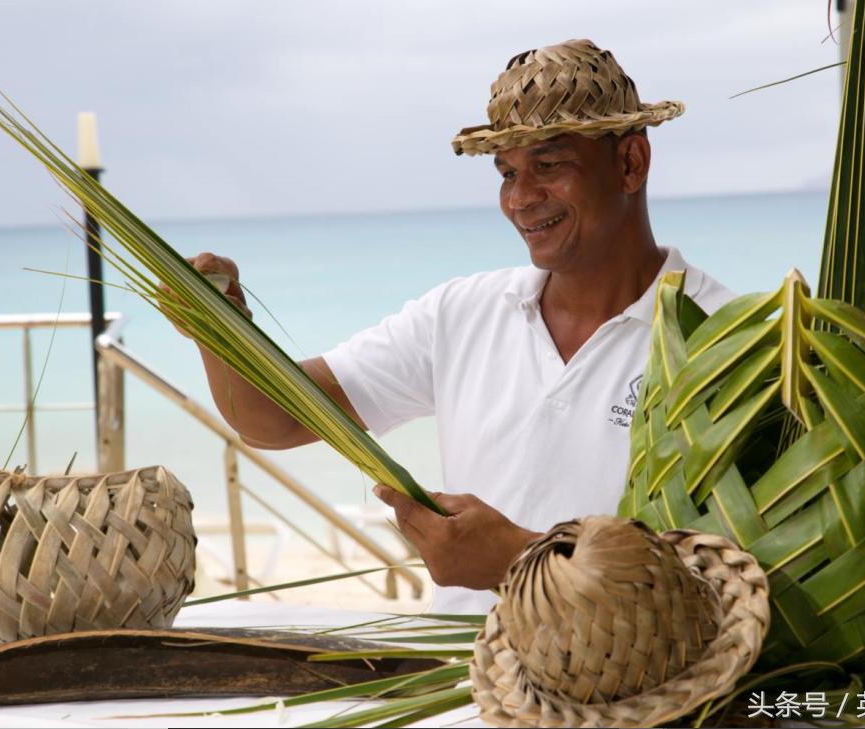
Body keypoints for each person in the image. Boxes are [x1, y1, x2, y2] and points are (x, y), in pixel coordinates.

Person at [174, 39, 735, 614]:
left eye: (548, 164)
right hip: (467, 689)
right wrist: (220, 326)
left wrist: (520, 559)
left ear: (630, 163)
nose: (520, 198)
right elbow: (271, 420)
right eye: (507, 172)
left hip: (645, 696)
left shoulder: (728, 339)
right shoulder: (462, 314)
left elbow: (743, 589)